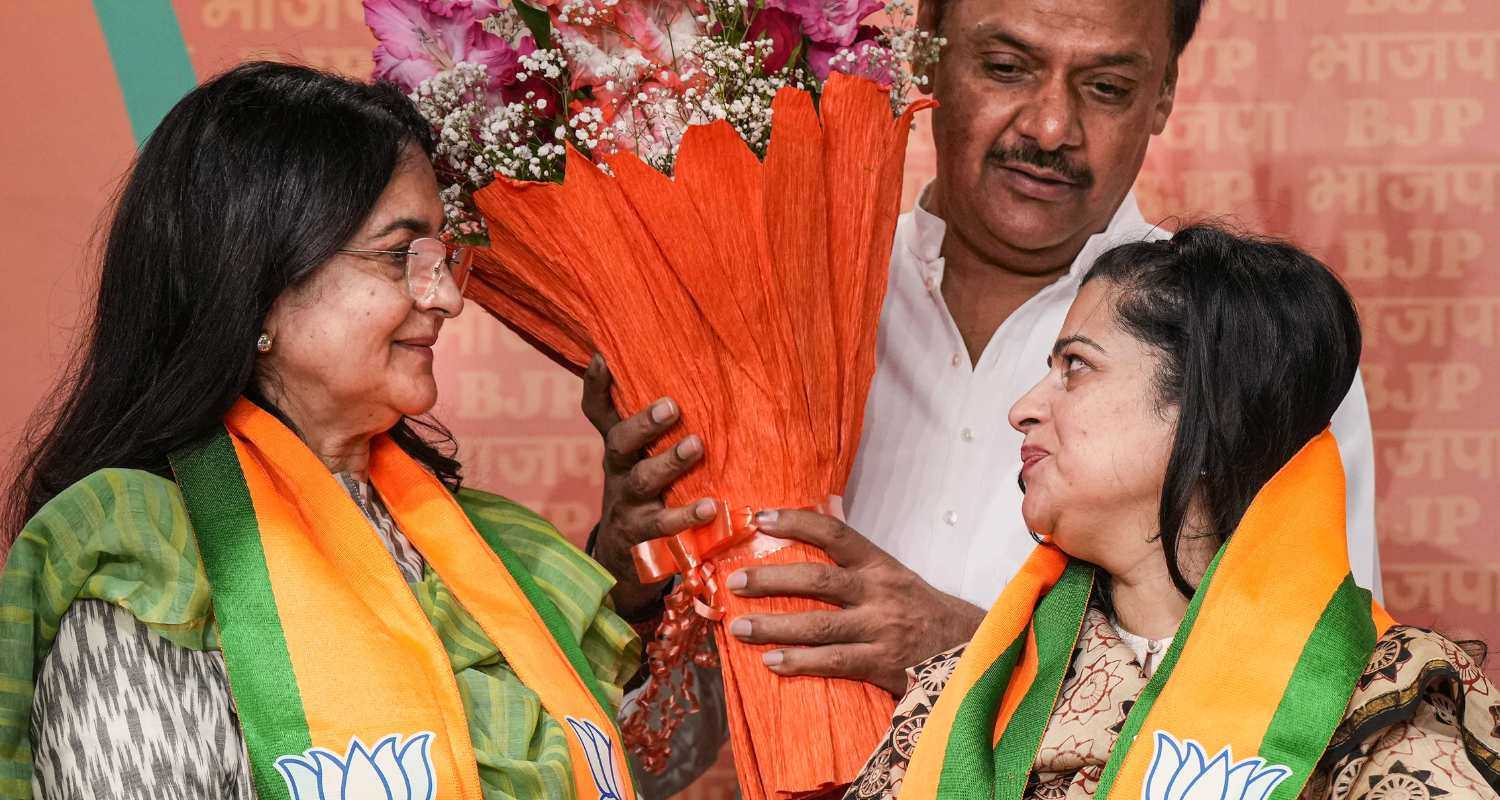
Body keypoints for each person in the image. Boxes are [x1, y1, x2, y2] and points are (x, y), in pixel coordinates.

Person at [587, 0, 1380, 789]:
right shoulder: (774, 299)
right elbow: (664, 760)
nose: (1048, 129)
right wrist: (631, 585)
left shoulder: (1242, 347)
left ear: (1165, 93)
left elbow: (1308, 700)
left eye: (1105, 87)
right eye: (1006, 68)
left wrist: (977, 657)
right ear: (926, 55)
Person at [0, 62, 639, 800]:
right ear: (262, 284)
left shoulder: (488, 546)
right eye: (403, 255)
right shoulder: (147, 553)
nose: (448, 300)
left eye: (440, 258)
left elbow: (636, 759)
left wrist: (657, 582)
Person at [842, 225, 1498, 800]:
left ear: (1207, 412)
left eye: (1076, 366)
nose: (1024, 408)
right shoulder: (960, 697)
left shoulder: (1383, 694)